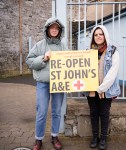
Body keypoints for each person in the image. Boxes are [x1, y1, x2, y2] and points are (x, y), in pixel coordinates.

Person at [26, 18, 66, 150]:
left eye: (57, 28)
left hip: (59, 84)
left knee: (56, 111)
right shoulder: (39, 45)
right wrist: (43, 58)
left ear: (59, 31)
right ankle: (38, 139)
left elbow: (71, 64)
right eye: (52, 27)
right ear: (47, 29)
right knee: (42, 111)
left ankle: (55, 136)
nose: (54, 30)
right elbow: (29, 61)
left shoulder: (63, 46)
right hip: (43, 84)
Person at [86, 25, 120, 150]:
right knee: (93, 113)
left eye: (101, 34)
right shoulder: (89, 51)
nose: (98, 36)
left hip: (106, 90)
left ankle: (103, 138)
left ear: (105, 35)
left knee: (104, 114)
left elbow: (113, 73)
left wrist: (101, 88)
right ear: (93, 37)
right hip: (91, 89)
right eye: (96, 34)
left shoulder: (113, 51)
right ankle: (95, 137)